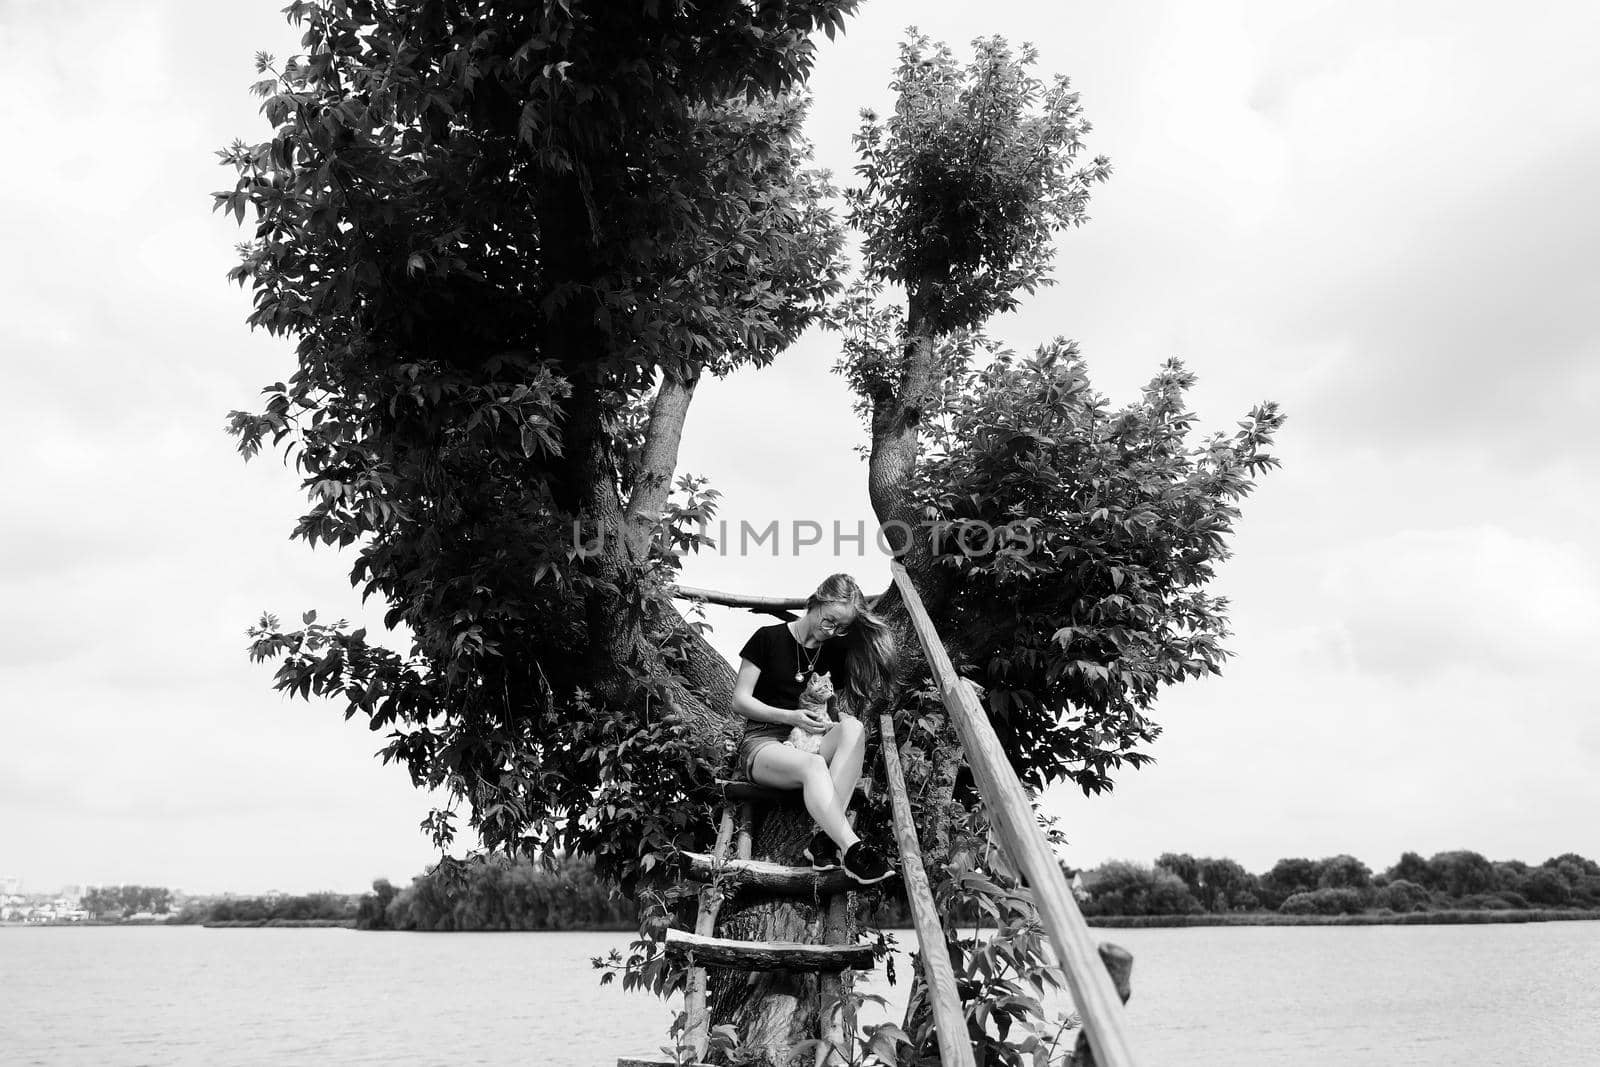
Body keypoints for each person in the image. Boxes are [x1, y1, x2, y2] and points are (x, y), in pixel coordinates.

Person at [732, 573, 898, 885]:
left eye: (842, 627)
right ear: (818, 600)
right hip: (763, 743)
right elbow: (739, 701)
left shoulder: (833, 650)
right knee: (814, 764)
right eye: (830, 621)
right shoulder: (767, 638)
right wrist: (790, 718)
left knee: (854, 728)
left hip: (811, 740)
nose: (833, 631)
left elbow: (835, 709)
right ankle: (852, 848)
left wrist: (832, 722)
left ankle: (822, 840)